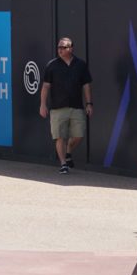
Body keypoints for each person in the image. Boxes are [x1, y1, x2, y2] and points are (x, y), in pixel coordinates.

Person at [39, 37, 93, 175]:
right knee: (59, 137)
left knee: (79, 135)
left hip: (76, 106)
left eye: (63, 47)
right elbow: (46, 86)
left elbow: (86, 85)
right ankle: (63, 164)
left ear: (71, 48)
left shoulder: (80, 64)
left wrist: (89, 103)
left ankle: (68, 151)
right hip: (57, 107)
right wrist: (43, 105)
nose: (60, 50)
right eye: (59, 47)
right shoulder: (52, 65)